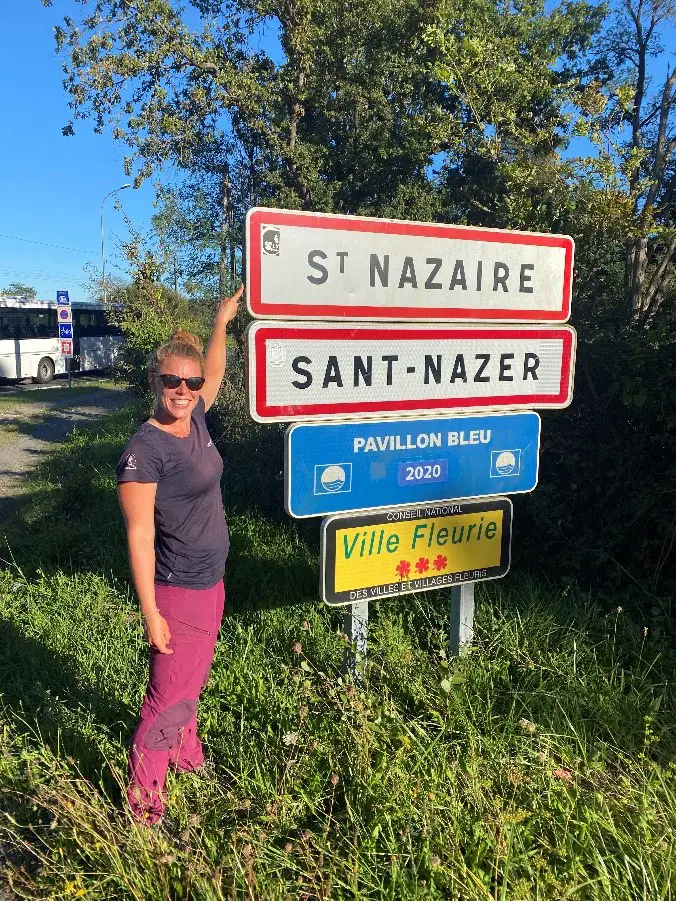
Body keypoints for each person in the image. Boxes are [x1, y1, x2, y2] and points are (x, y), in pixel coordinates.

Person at [116, 286, 243, 825]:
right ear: (155, 382)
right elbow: (139, 534)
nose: (186, 390)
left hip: (211, 579)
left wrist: (220, 322)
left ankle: (187, 759)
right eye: (173, 381)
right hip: (178, 590)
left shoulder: (196, 419)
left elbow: (213, 372)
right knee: (165, 699)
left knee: (192, 679)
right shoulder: (145, 451)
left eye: (190, 383)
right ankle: (143, 809)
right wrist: (151, 612)